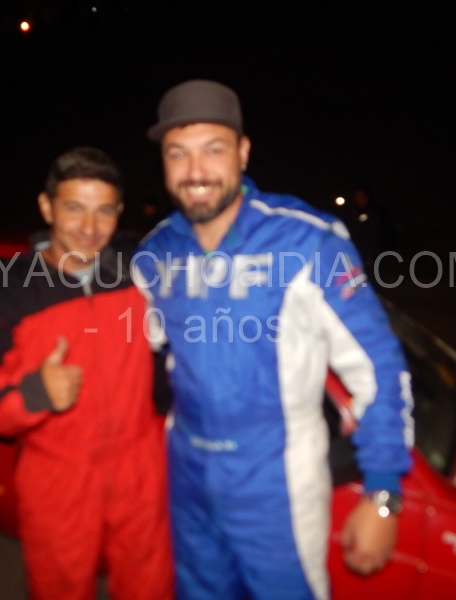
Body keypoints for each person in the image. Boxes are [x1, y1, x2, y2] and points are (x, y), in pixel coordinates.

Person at [132, 80, 414, 599]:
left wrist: (382, 494)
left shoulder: (306, 241)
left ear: (242, 153)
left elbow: (379, 366)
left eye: (213, 150)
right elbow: (134, 358)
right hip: (186, 474)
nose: (196, 171)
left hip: (275, 481)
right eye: (178, 153)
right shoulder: (154, 254)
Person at [0, 147, 173, 600]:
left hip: (140, 463)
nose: (89, 228)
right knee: (60, 589)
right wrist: (35, 393)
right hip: (58, 476)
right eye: (74, 208)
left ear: (119, 212)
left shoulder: (138, 270)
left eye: (104, 211)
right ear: (47, 206)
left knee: (151, 585)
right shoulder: (6, 293)